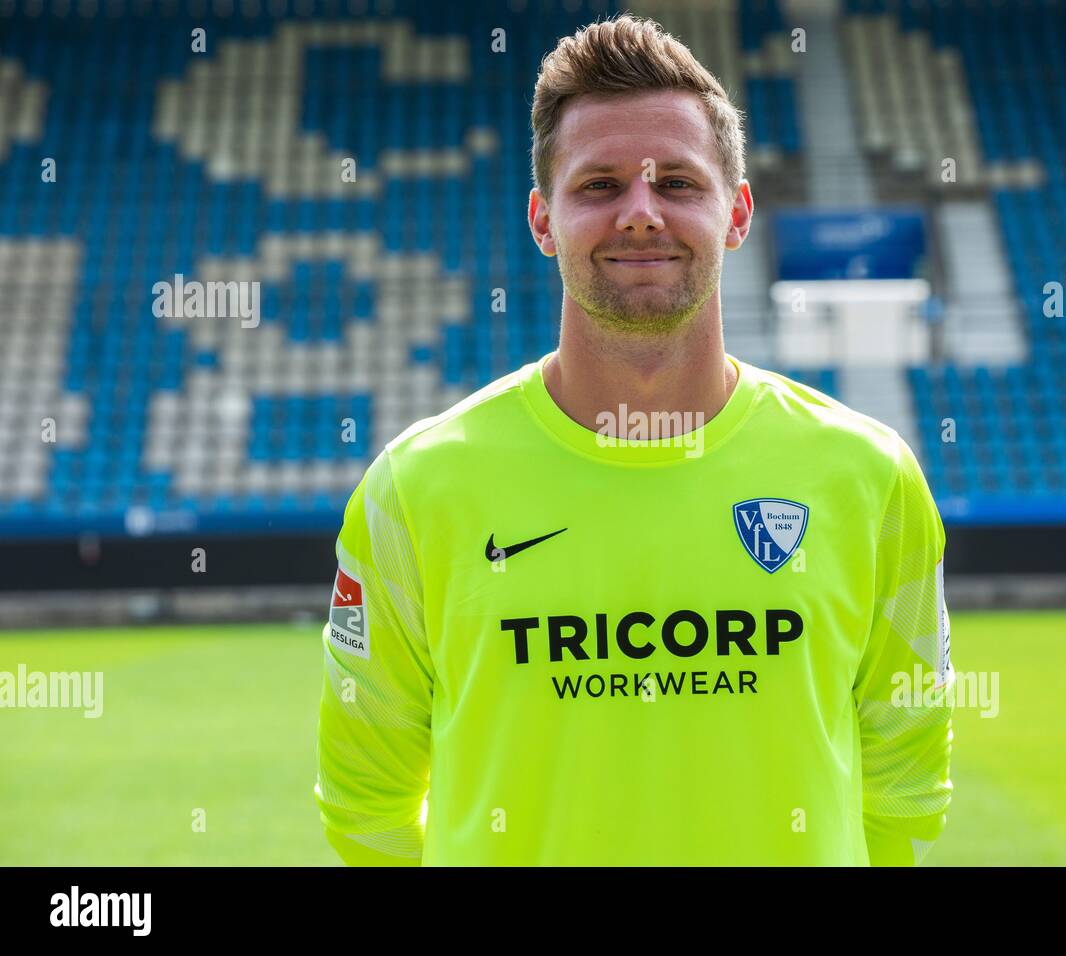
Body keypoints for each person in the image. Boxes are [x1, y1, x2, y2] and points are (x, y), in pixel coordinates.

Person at [315, 13, 953, 866]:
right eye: (600, 185)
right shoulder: (416, 487)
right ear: (544, 221)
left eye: (680, 184)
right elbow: (366, 804)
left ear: (737, 213)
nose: (641, 214)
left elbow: (905, 781)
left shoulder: (868, 478)